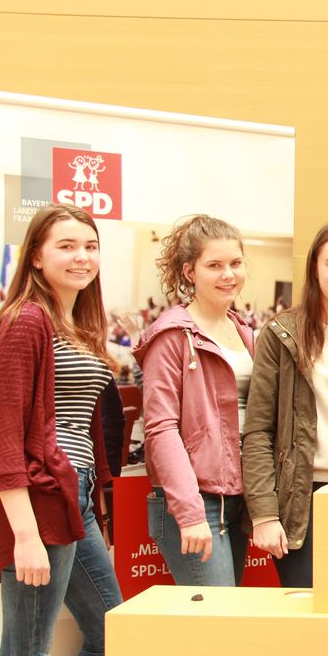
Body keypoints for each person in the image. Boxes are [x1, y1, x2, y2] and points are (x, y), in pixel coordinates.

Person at [0, 203, 123, 656]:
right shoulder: (26, 320)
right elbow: (2, 437)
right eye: (66, 246)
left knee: (111, 632)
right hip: (38, 502)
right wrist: (25, 535)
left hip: (72, 498)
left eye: (90, 246)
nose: (81, 257)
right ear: (36, 257)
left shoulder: (74, 321)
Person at [242, 222, 328, 588]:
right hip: (302, 496)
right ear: (315, 269)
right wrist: (264, 514)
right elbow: (258, 430)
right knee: (308, 610)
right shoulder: (282, 333)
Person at [133, 215, 254, 586]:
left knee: (227, 612)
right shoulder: (171, 336)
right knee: (217, 616)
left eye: (235, 263)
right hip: (196, 500)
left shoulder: (244, 331)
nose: (228, 275)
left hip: (237, 496)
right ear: (190, 272)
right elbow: (161, 428)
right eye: (214, 265)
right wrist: (189, 512)